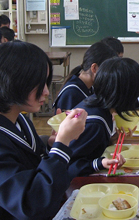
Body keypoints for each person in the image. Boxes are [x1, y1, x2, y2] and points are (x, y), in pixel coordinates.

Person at [0, 41, 87, 219]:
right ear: (14, 82)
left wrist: (51, 144)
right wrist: (62, 144)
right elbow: (30, 203)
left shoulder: (21, 119)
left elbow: (28, 155)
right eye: (39, 84)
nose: (47, 92)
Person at [68, 57, 139, 179]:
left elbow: (92, 148)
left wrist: (113, 139)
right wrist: (100, 163)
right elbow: (68, 165)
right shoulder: (96, 123)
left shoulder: (97, 103)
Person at [53, 41, 116, 112]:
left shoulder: (90, 87)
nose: (109, 76)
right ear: (94, 68)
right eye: (108, 71)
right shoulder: (71, 93)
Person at [101, 36, 139, 104]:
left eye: (121, 58)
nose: (119, 62)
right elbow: (113, 103)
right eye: (116, 59)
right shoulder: (102, 78)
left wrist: (134, 94)